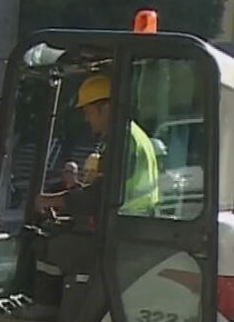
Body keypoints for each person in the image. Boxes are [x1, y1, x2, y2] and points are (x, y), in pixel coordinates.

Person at [35, 74, 160, 219]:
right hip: (134, 221)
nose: (86, 119)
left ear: (106, 108)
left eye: (89, 112)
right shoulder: (132, 134)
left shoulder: (122, 139)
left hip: (124, 225)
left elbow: (99, 196)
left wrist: (50, 200)